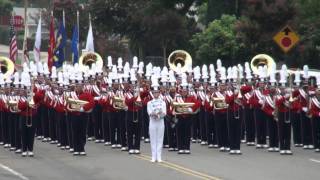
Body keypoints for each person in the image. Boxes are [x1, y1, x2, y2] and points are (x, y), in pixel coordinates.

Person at [147, 76, 166, 162]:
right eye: (154, 93)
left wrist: (159, 115)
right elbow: (150, 112)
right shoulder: (149, 103)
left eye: (157, 92)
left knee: (160, 139)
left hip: (160, 122)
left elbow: (164, 113)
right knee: (153, 139)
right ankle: (153, 156)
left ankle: (159, 156)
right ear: (152, 93)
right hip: (153, 122)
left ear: (159, 93)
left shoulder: (163, 102)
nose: (156, 94)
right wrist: (155, 114)